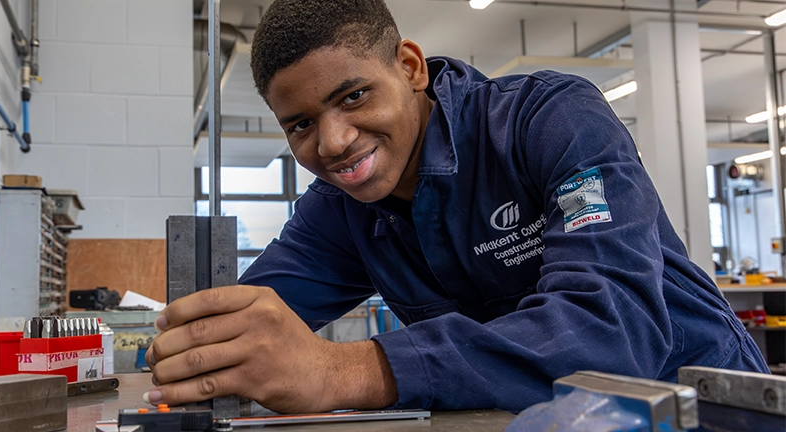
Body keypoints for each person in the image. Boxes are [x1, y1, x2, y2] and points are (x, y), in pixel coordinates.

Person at [143, 0, 769, 413]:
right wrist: (192, 346)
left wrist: (341, 371)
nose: (332, 142)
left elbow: (610, 332)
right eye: (301, 124)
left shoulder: (550, 120)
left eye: (355, 96)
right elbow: (242, 330)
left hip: (705, 408)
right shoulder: (340, 209)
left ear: (410, 67)